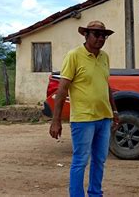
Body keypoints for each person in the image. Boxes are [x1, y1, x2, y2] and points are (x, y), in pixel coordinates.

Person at [49, 20, 119, 197]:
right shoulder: (74, 56)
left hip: (104, 118)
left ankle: (95, 193)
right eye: (96, 34)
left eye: (104, 35)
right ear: (86, 35)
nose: (101, 38)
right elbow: (62, 89)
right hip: (83, 119)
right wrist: (55, 120)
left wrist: (114, 111)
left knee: (99, 160)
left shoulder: (104, 57)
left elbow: (106, 85)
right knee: (80, 161)